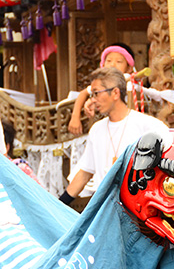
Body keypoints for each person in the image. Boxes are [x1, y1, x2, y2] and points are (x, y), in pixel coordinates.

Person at [59, 67, 167, 205]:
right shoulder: (96, 129)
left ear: (115, 93)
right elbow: (85, 173)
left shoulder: (147, 125)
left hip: (136, 205)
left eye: (96, 93)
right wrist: (59, 204)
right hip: (104, 205)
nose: (93, 100)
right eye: (92, 95)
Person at [68, 43, 135, 135]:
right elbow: (83, 93)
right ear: (102, 65)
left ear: (129, 68)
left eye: (119, 62)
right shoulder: (101, 83)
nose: (113, 65)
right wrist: (75, 117)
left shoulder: (131, 81)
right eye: (109, 61)